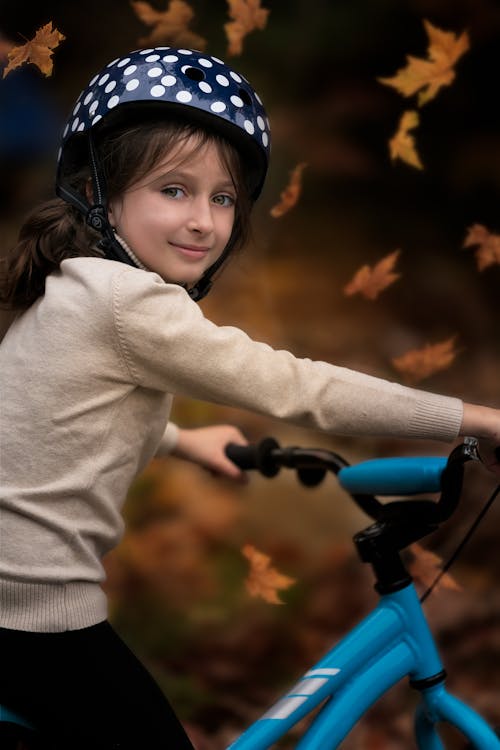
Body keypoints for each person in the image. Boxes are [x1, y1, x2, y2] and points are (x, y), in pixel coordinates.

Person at [0, 47, 498, 750]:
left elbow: (51, 418)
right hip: (27, 611)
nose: (203, 220)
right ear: (102, 193)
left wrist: (181, 440)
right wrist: (475, 418)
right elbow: (302, 388)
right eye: (174, 189)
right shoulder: (127, 304)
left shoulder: (74, 287)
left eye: (223, 197)